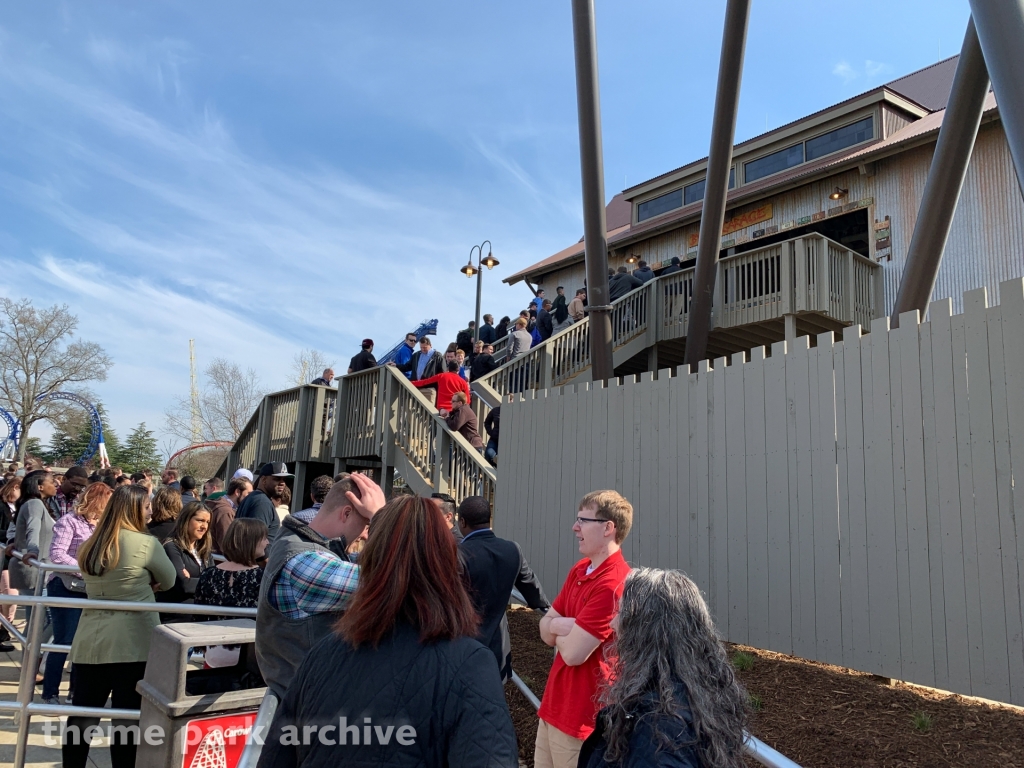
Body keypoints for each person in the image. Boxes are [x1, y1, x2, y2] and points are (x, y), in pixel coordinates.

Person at [258, 495, 519, 768]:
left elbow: (277, 755)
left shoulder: (320, 656)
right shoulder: (471, 665)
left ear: (369, 560)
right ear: (447, 562)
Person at [578, 569, 749, 768]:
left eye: (620, 613)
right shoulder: (700, 697)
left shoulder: (658, 731)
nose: (613, 623)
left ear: (644, 631)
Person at [63, 485, 176, 768]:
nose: (151, 510)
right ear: (135, 509)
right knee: (127, 720)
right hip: (134, 641)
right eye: (147, 505)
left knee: (82, 716)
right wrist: (149, 581)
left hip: (90, 638)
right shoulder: (145, 544)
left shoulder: (91, 543)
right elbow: (171, 579)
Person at [255, 472, 385, 698]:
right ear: (346, 513)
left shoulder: (298, 542)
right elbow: (394, 580)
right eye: (366, 524)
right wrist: (381, 520)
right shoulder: (305, 563)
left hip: (311, 695)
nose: (365, 536)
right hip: (313, 708)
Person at [535, 490, 634, 768]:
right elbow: (544, 630)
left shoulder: (614, 584)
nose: (574, 527)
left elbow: (573, 655)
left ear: (608, 528)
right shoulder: (580, 569)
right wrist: (563, 625)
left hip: (583, 724)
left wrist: (558, 627)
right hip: (552, 711)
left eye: (583, 520)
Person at [457, 496, 550, 680]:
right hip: (498, 646)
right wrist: (549, 611)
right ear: (489, 519)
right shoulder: (512, 550)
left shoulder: (457, 554)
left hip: (462, 647)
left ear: (462, 521)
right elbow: (532, 589)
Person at [42, 482, 113, 705]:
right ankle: (50, 692)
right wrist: (85, 571)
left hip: (90, 590)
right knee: (65, 641)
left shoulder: (103, 526)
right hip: (65, 588)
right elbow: (57, 554)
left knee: (85, 644)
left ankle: (76, 690)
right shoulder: (68, 522)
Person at [195, 518, 269, 668]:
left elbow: (198, 616)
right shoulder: (263, 577)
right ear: (251, 542)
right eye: (264, 538)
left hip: (213, 655)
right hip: (251, 660)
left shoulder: (208, 574)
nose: (267, 542)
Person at [9, 471, 59, 626]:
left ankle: (31, 650)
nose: (56, 484)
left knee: (36, 623)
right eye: (52, 481)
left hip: (37, 571)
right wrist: (33, 551)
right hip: (36, 572)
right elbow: (33, 528)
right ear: (40, 487)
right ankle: (38, 651)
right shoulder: (34, 504)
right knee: (46, 622)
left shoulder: (36, 504)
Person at [156, 501, 214, 620]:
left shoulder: (203, 549)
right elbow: (183, 585)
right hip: (176, 618)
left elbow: (213, 577)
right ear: (186, 520)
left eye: (207, 522)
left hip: (200, 616)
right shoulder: (171, 546)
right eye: (200, 520)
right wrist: (210, 581)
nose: (204, 526)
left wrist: (195, 580)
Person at [236, 462, 292, 541]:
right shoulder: (262, 503)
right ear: (264, 480)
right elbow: (256, 541)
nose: (282, 483)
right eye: (277, 479)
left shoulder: (254, 497)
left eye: (284, 479)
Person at [0, 477, 22, 652]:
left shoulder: (18, 507)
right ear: (15, 488)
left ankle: (4, 631)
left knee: (9, 597)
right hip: (3, 557)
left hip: (10, 559)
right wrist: (11, 534)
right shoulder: (2, 506)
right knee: (10, 595)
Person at [392, 336, 444, 407]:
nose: (423, 349)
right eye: (421, 347)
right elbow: (407, 366)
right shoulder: (416, 355)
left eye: (425, 347)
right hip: (416, 387)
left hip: (429, 389)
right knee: (410, 410)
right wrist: (396, 365)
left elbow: (443, 374)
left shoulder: (438, 356)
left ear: (430, 345)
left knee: (428, 412)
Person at [209, 476, 253, 554]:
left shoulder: (223, 506)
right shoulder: (225, 512)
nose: (250, 498)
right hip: (220, 561)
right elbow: (227, 546)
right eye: (248, 494)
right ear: (237, 492)